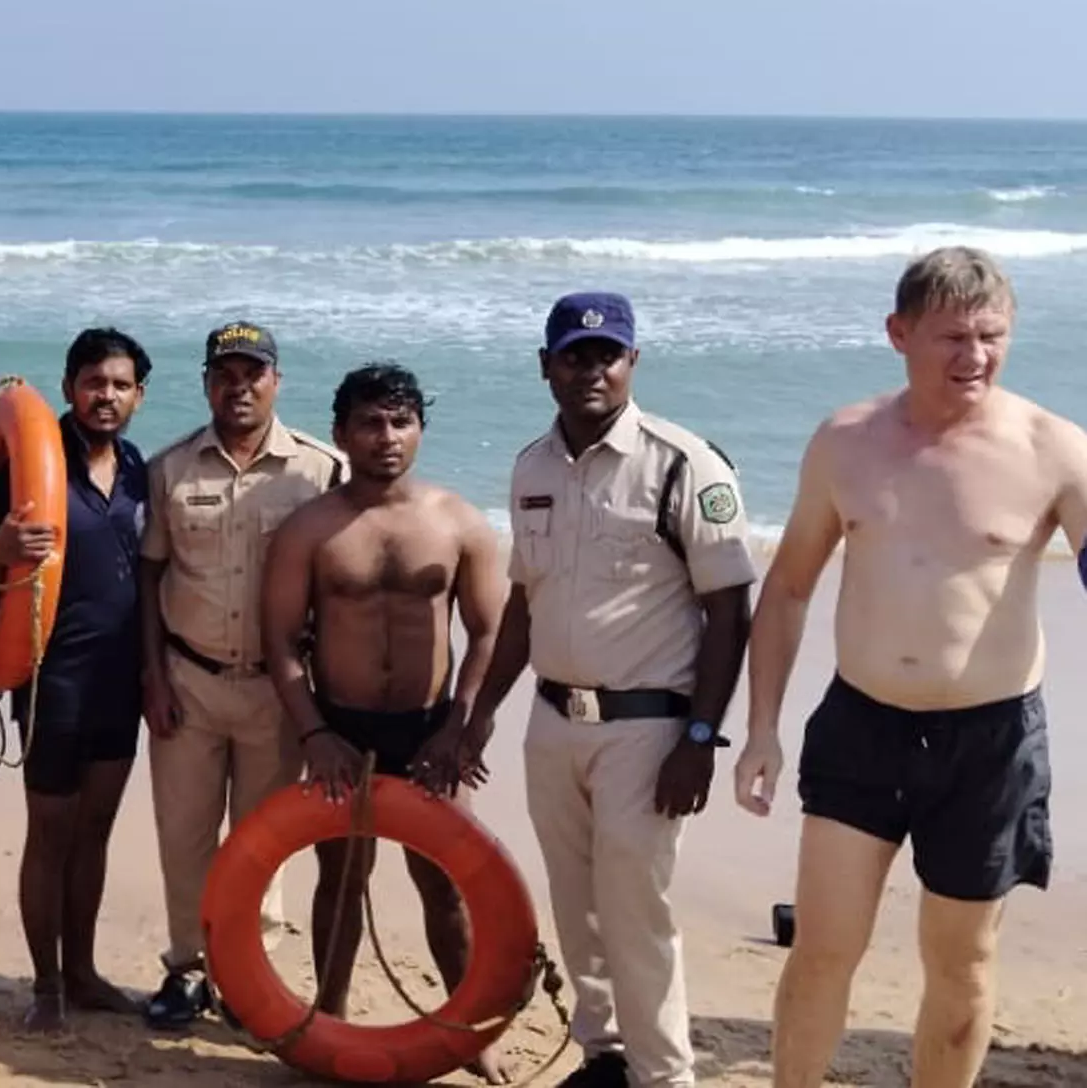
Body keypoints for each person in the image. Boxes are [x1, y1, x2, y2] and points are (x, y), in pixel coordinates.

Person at [731, 247, 1085, 1088]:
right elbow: (787, 588)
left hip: (991, 741)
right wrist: (761, 730)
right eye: (953, 337)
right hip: (864, 725)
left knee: (963, 964)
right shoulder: (846, 441)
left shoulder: (1055, 449)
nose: (975, 356)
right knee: (823, 949)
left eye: (992, 336)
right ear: (899, 333)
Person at [421, 291, 755, 1088]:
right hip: (553, 722)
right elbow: (525, 605)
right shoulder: (531, 467)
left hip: (649, 729)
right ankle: (605, 1056)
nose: (591, 371)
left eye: (608, 355)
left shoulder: (683, 464)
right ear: (547, 366)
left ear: (633, 362)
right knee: (577, 907)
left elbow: (730, 610)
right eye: (575, 355)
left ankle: (663, 1076)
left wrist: (701, 739)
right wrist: (477, 715)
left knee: (637, 912)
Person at [259, 362, 508, 1082]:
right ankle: (327, 1019)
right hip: (343, 730)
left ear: (421, 430)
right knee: (341, 881)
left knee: (446, 884)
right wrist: (316, 733)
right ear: (341, 433)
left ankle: (470, 1030)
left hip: (430, 730)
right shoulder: (311, 528)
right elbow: (280, 641)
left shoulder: (458, 521)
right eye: (369, 423)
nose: (387, 437)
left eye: (401, 422)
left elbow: (489, 633)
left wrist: (460, 727)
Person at [135, 320, 344, 1029]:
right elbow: (150, 576)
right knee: (185, 836)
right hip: (188, 681)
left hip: (278, 691)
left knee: (263, 844)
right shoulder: (170, 468)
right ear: (206, 385)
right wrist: (153, 677)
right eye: (225, 376)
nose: (239, 388)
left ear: (277, 382)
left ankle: (248, 974)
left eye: (253, 374)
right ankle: (188, 968)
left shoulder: (320, 471)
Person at [0, 327, 153, 1031]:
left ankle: (82, 973)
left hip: (119, 681)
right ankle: (46, 985)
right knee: (50, 832)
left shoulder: (137, 468)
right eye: (93, 382)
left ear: (139, 395)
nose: (106, 396)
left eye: (120, 385)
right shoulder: (32, 466)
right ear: (68, 387)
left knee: (95, 831)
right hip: (53, 679)